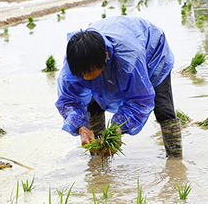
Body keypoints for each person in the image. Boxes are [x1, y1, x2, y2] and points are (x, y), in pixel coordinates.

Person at [56, 15, 182, 157]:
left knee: (163, 108)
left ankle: (175, 162)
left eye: (89, 71)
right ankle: (98, 157)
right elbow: (68, 100)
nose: (85, 77)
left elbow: (140, 100)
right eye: (81, 73)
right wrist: (81, 128)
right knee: (93, 105)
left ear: (105, 57)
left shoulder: (129, 60)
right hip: (112, 42)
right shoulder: (75, 60)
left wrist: (118, 127)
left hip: (152, 50)